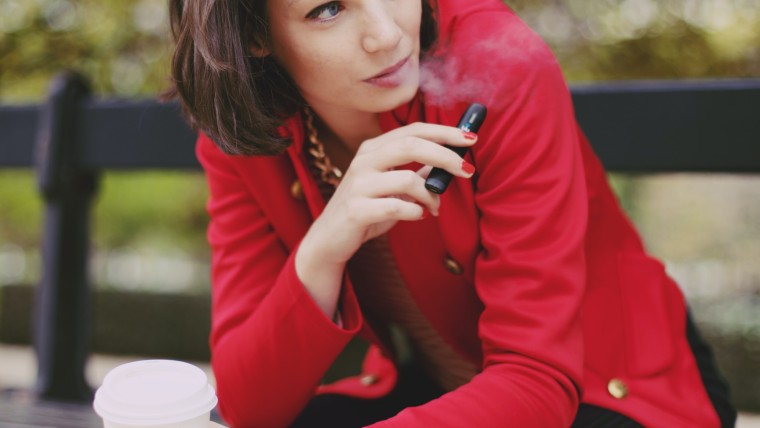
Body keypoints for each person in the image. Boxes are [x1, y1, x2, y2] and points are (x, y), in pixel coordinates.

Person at [165, 0, 737, 426]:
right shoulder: (248, 136)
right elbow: (246, 405)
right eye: (328, 9)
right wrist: (325, 244)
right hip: (446, 393)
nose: (387, 34)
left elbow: (538, 383)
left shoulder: (500, 64)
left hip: (613, 388)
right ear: (254, 36)